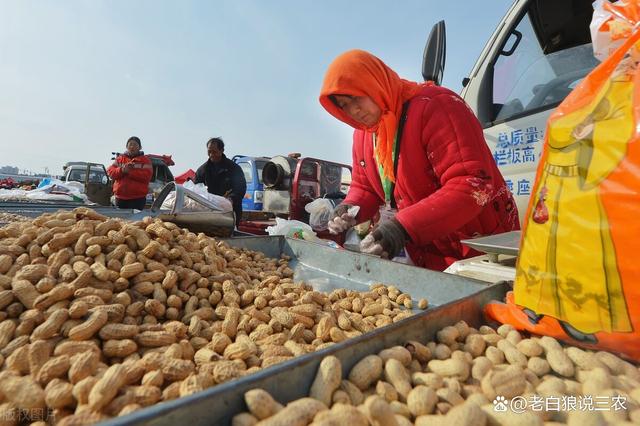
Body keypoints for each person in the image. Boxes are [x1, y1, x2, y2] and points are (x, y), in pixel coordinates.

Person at [319, 49, 520, 271]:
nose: (353, 110)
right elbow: (364, 187)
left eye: (356, 97)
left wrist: (404, 227)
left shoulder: (437, 106)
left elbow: (471, 184)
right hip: (428, 250)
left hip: (479, 247)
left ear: (375, 82)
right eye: (343, 105)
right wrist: (350, 207)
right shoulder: (364, 134)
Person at [195, 137, 247, 225]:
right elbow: (196, 189)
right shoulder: (202, 170)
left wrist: (231, 199)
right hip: (208, 213)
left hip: (230, 212)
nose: (211, 155)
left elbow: (240, 188)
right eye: (209, 152)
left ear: (222, 150)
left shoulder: (234, 168)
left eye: (214, 152)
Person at [107, 136, 153, 210]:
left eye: (135, 145)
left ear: (140, 147)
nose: (132, 147)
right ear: (126, 147)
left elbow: (147, 176)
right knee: (119, 220)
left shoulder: (145, 161)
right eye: (130, 144)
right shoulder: (120, 159)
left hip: (137, 199)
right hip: (120, 198)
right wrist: (122, 170)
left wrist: (130, 172)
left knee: (135, 220)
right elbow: (110, 172)